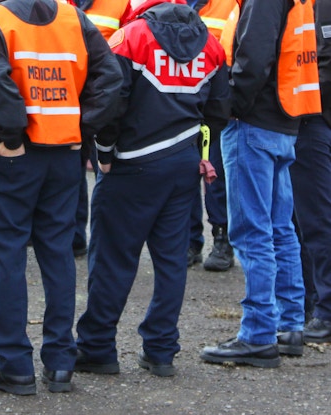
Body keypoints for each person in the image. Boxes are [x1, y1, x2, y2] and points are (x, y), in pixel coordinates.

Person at [0, 0, 121, 394]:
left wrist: (13, 138)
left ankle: (15, 366)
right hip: (63, 155)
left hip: (15, 158)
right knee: (58, 255)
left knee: (8, 256)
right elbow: (110, 78)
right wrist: (80, 128)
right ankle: (60, 362)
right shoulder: (73, 18)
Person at [74, 0, 230, 378]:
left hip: (130, 164)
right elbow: (220, 111)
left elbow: (111, 101)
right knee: (172, 261)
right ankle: (161, 350)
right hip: (182, 166)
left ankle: (96, 347)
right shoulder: (211, 44)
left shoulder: (130, 37)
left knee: (113, 259)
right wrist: (196, 150)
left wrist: (105, 153)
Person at [201, 0, 320, 367]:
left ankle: (257, 334)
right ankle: (289, 325)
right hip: (283, 120)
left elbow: (252, 60)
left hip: (254, 123)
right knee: (280, 229)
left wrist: (228, 108)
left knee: (253, 232)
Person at [70, 0, 130, 258]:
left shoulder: (119, 4)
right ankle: (74, 239)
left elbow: (128, 52)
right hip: (68, 100)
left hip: (106, 99)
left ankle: (107, 241)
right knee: (70, 175)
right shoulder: (59, 4)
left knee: (108, 173)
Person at [290, 0, 331, 343]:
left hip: (313, 118)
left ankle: (324, 310)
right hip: (311, 117)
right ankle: (311, 303)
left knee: (315, 219)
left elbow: (322, 60)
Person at [186, 0, 237, 271]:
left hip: (215, 103)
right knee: (183, 173)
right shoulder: (176, 3)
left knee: (215, 173)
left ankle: (222, 237)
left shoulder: (229, 4)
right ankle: (190, 241)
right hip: (180, 101)